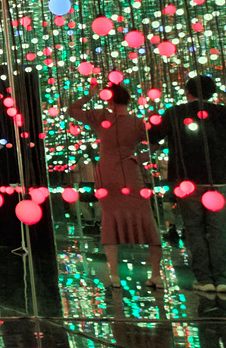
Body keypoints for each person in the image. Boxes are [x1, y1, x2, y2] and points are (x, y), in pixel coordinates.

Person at [147, 74, 226, 296]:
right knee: (218, 230)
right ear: (212, 93)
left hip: (186, 181)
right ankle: (221, 279)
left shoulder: (175, 112)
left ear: (188, 92)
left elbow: (152, 136)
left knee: (194, 229)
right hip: (217, 180)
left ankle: (204, 279)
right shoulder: (224, 112)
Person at [64, 85, 163, 289]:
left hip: (107, 174)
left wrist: (89, 95)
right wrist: (140, 158)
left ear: (109, 99)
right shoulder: (137, 122)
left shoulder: (101, 117)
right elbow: (157, 142)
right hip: (130, 173)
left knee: (110, 220)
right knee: (146, 219)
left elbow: (71, 110)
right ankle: (156, 275)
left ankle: (115, 276)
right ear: (128, 100)